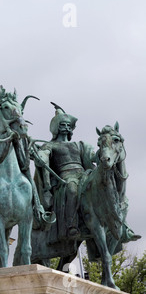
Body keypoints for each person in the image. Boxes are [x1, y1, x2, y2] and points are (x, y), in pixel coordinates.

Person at [34, 104, 95, 242]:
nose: (66, 128)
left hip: (83, 174)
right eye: (62, 125)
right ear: (56, 128)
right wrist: (41, 156)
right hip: (65, 176)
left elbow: (90, 156)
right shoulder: (50, 145)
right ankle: (71, 225)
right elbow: (43, 155)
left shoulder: (78, 144)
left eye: (68, 125)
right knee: (72, 189)